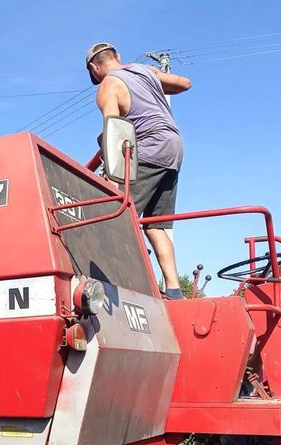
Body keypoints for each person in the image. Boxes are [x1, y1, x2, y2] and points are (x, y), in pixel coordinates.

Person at [86, 42, 192, 299]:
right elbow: (185, 83)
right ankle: (174, 290)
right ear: (118, 56)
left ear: (93, 68)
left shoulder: (108, 86)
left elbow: (115, 132)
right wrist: (155, 79)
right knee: (156, 225)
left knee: (115, 214)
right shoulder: (144, 71)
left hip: (149, 146)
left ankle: (123, 287)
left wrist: (111, 177)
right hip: (174, 148)